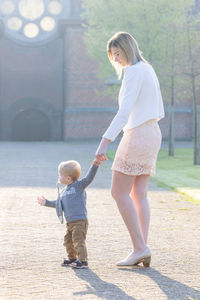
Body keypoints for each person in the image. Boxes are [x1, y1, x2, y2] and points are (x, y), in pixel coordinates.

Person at [95, 32, 165, 267]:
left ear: (127, 49)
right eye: (112, 56)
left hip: (138, 134)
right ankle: (142, 247)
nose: (115, 60)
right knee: (139, 194)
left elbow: (124, 112)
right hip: (153, 133)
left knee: (118, 192)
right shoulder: (148, 69)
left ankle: (139, 247)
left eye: (117, 54)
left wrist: (105, 141)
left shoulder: (134, 72)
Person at [37, 158, 101, 269]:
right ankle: (72, 258)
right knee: (68, 241)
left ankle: (83, 260)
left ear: (68, 178)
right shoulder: (64, 191)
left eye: (60, 175)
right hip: (70, 222)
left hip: (80, 221)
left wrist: (95, 165)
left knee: (78, 240)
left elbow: (89, 178)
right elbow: (58, 204)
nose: (58, 177)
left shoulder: (78, 186)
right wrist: (46, 202)